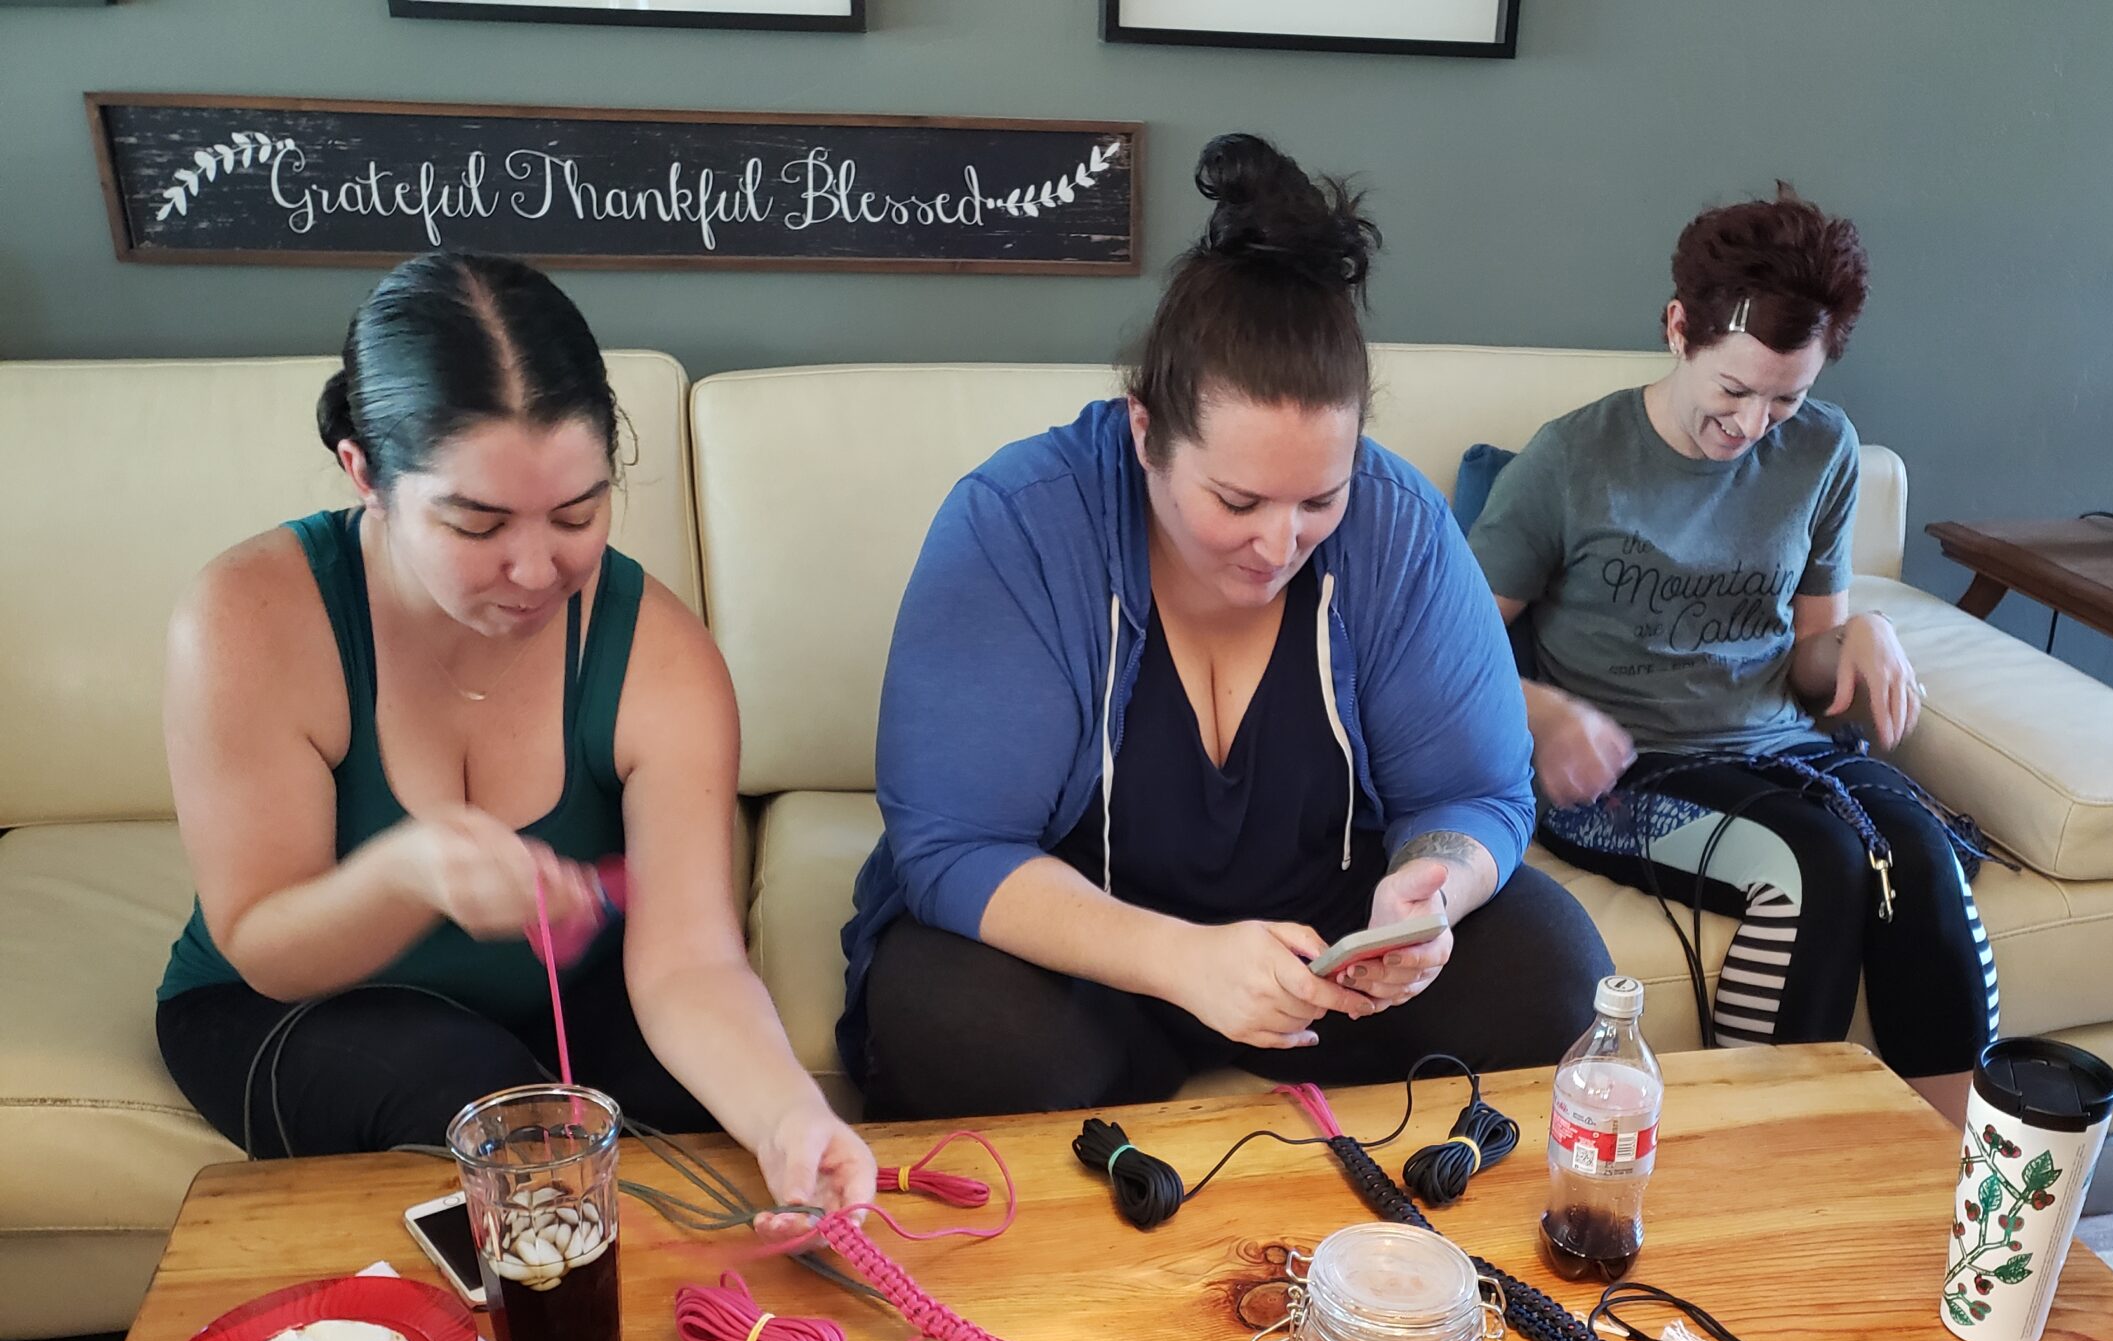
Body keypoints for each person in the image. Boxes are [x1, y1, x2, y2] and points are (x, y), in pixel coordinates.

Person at [840, 134, 1610, 1120]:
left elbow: (1475, 793)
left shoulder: (1396, 523)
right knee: (956, 1021)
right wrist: (1179, 959)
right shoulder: (1018, 525)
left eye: (1317, 499)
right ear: (1145, 433)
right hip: (1084, 953)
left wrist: (1429, 892)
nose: (1278, 544)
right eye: (1236, 500)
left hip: (1321, 955)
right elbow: (952, 845)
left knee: (1551, 970)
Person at [157, 250, 876, 1214]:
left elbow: (691, 960)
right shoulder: (250, 618)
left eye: (576, 514)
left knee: (699, 1137)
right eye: (476, 524)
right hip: (290, 1002)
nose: (536, 571)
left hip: (562, 1002)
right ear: (363, 473)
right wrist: (409, 873)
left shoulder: (657, 653)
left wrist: (792, 1117)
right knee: (503, 1126)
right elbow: (267, 946)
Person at [1468, 187, 1998, 1082]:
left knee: (1919, 853)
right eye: (1734, 389)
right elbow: (1452, 651)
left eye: (1784, 400)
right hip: (1620, 775)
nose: (1751, 425)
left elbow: (1809, 660)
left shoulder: (1824, 450)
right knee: (1814, 867)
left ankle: (1956, 1184)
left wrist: (1864, 634)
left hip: (1777, 748)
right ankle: (1750, 1160)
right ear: (1679, 328)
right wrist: (1543, 711)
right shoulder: (1570, 460)